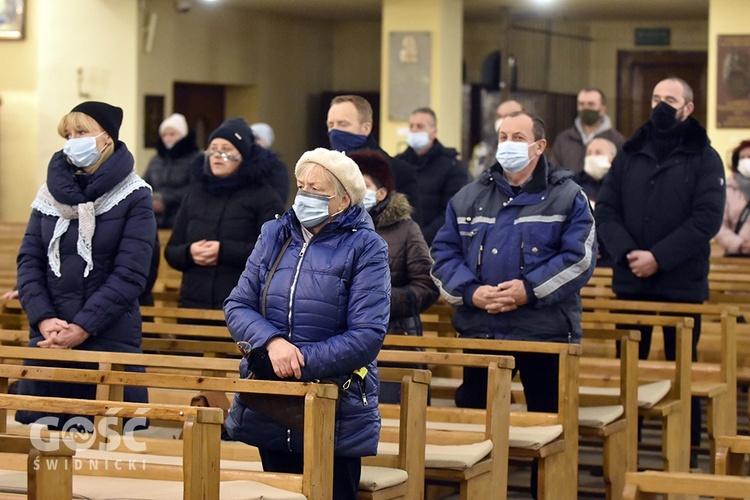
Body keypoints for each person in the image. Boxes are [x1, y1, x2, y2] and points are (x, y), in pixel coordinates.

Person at [431, 111, 596, 495]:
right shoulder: (469, 196)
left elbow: (580, 259)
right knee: (475, 431)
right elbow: (442, 256)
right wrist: (471, 292)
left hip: (544, 334)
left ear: (539, 146)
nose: (508, 143)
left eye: (518, 137)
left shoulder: (568, 197)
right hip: (482, 335)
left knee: (547, 431)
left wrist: (529, 289)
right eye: (503, 135)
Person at [224, 147, 390, 499]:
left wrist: (300, 360)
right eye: (301, 186)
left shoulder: (366, 247)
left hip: (335, 401)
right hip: (273, 397)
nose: (304, 196)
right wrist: (273, 344)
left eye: (315, 190)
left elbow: (367, 335)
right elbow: (238, 303)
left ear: (343, 200)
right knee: (277, 493)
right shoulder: (274, 235)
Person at [595, 77, 726, 463]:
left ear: (688, 108)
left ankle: (686, 453)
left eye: (670, 100)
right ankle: (625, 452)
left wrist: (659, 257)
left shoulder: (705, 157)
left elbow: (706, 220)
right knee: (629, 372)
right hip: (631, 279)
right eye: (655, 98)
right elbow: (606, 209)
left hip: (680, 284)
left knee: (681, 370)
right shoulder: (629, 153)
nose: (661, 106)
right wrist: (630, 252)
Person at [14, 101, 156, 427]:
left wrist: (82, 327)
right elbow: (30, 262)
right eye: (68, 133)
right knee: (45, 456)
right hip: (50, 340)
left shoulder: (134, 195)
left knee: (105, 457)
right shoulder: (49, 195)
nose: (72, 139)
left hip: (108, 337)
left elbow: (131, 274)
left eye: (82, 132)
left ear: (107, 138)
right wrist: (45, 319)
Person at [165, 118, 284, 310]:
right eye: (213, 148)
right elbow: (171, 251)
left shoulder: (265, 197)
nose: (217, 155)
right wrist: (190, 253)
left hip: (242, 307)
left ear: (244, 156)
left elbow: (273, 252)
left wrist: (223, 252)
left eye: (227, 149)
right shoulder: (194, 194)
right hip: (192, 305)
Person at [350, 151, 439, 402]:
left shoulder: (406, 229)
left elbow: (427, 286)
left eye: (363, 185)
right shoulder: (331, 228)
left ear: (381, 193)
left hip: (395, 340)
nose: (356, 191)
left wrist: (379, 301)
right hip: (342, 342)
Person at [326, 94, 423, 225]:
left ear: (366, 128)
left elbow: (410, 229)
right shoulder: (324, 168)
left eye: (343, 124)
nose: (334, 131)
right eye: (331, 125)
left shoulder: (397, 170)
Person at [396, 108, 469, 245]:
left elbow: (452, 210)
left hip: (435, 243)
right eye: (411, 126)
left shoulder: (452, 166)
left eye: (420, 126)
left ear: (434, 132)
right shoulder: (398, 163)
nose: (414, 130)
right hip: (401, 243)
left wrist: (420, 239)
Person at [143, 113, 201, 229]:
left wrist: (165, 199)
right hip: (156, 219)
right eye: (164, 135)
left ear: (183, 135)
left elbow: (195, 187)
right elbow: (144, 183)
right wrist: (151, 199)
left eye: (172, 134)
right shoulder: (156, 160)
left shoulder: (196, 158)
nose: (168, 138)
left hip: (182, 217)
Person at [550, 88, 626, 174]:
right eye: (581, 104)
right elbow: (554, 171)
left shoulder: (616, 140)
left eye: (591, 104)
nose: (585, 108)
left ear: (603, 109)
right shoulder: (564, 139)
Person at [469, 99, 524, 178]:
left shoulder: (531, 148)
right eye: (499, 116)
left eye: (508, 115)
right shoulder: (483, 148)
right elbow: (473, 178)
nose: (502, 120)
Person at [715, 140, 750, 256]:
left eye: (749, 157)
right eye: (742, 158)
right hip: (737, 255)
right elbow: (719, 225)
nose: (746, 161)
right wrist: (740, 245)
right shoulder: (727, 190)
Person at [250, 122, 290, 205]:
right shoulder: (241, 163)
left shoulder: (277, 166)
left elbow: (280, 196)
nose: (253, 143)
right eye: (250, 139)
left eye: (257, 139)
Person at [575, 137, 618, 204]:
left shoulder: (619, 184)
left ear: (612, 159)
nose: (592, 157)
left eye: (598, 153)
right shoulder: (575, 183)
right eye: (589, 153)